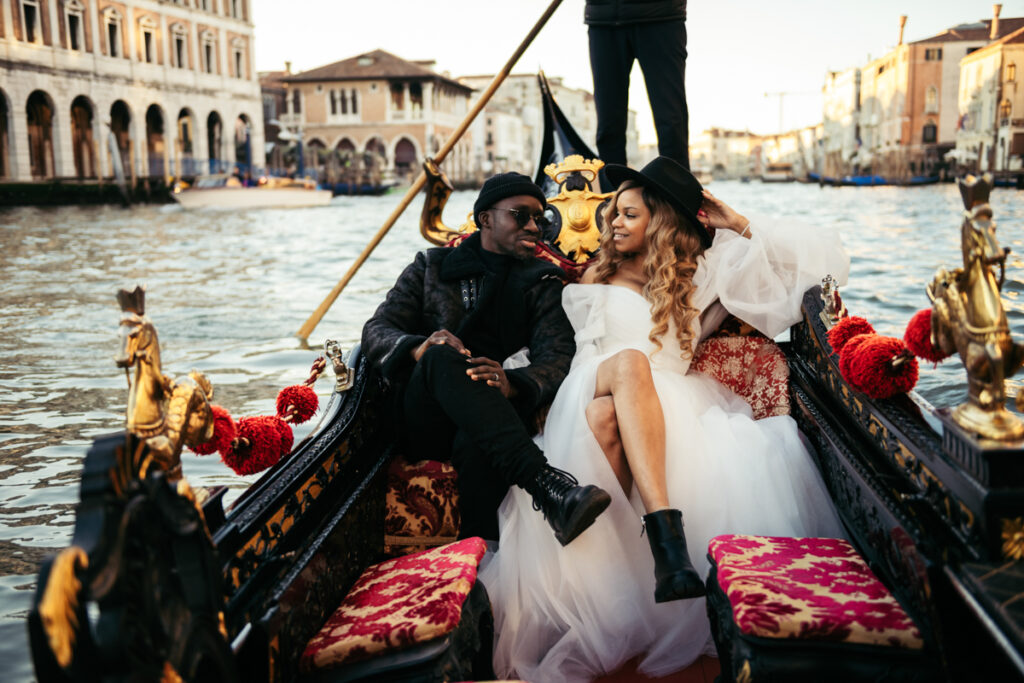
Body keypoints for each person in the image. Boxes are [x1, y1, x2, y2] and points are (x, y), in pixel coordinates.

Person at [479, 157, 849, 681]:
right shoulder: (594, 271)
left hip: (655, 402)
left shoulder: (702, 274)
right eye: (614, 215)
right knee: (627, 367)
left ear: (663, 222)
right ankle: (666, 538)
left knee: (609, 417)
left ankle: (622, 585)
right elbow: (553, 345)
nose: (613, 224)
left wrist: (734, 220)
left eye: (628, 214)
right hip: (592, 380)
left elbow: (814, 273)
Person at [361, 172, 611, 543]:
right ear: (486, 219)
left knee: (477, 436)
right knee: (442, 354)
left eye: (539, 219)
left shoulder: (542, 281)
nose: (533, 226)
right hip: (427, 415)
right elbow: (376, 331)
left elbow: (558, 356)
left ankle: (478, 560)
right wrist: (419, 347)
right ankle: (546, 484)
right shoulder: (430, 267)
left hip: (495, 415)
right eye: (520, 215)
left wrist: (513, 384)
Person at [586, 0, 689, 169]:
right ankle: (613, 191)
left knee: (671, 120)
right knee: (608, 123)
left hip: (661, 17)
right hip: (603, 20)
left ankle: (677, 191)